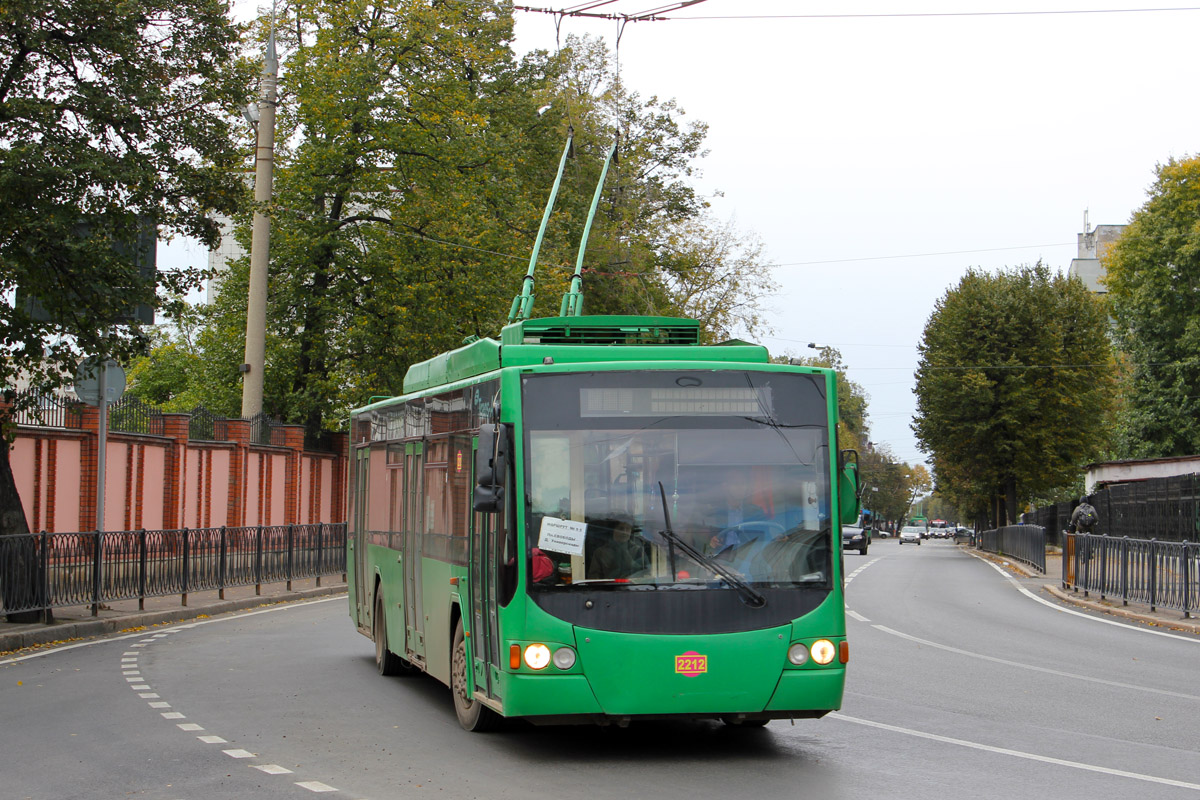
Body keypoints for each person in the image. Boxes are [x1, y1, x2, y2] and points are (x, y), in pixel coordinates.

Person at [704, 472, 766, 553]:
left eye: (743, 484)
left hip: (748, 557)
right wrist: (711, 542)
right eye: (736, 484)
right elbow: (704, 545)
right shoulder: (714, 513)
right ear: (725, 487)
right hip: (719, 560)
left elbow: (766, 538)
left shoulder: (756, 512)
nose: (740, 488)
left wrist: (778, 539)